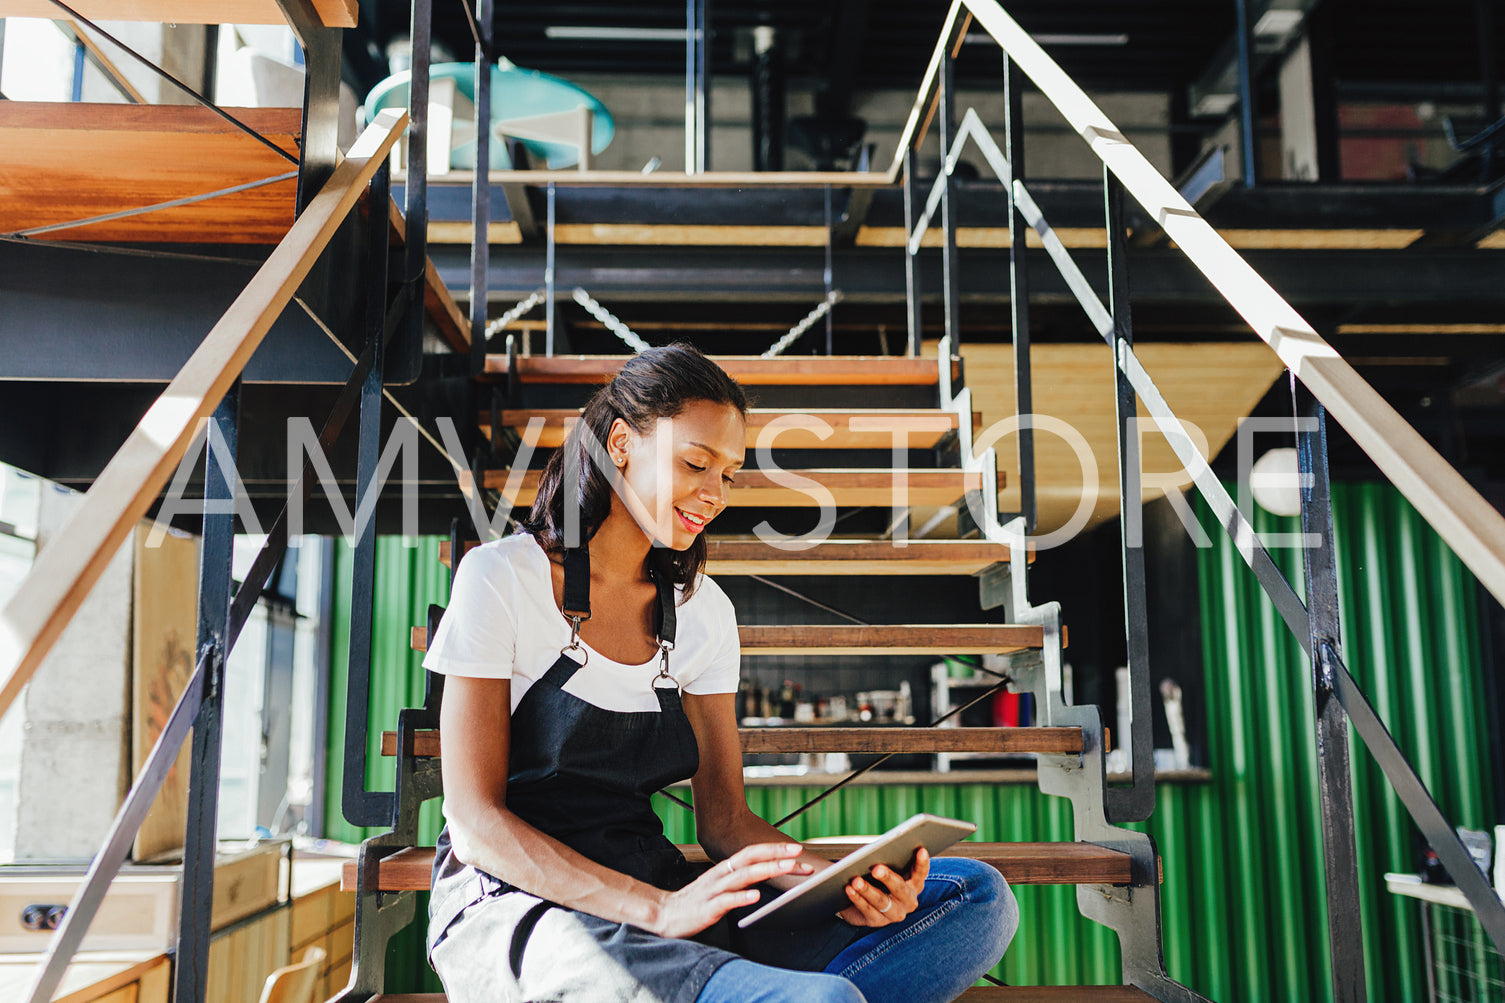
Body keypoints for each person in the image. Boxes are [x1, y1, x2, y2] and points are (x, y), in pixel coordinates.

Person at [422, 343, 1018, 1003]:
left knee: (973, 895)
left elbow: (726, 820)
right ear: (621, 442)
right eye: (695, 462)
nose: (714, 494)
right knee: (825, 1000)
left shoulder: (702, 611)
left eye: (729, 474)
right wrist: (653, 910)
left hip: (660, 891)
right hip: (522, 907)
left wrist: (836, 883)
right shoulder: (503, 576)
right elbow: (475, 821)